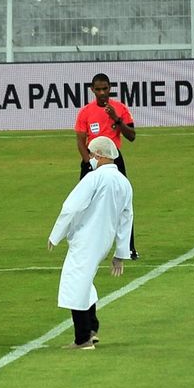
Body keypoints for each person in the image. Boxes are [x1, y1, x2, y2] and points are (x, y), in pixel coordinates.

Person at [48, 136, 133, 350]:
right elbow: (126, 218)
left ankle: (83, 338)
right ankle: (92, 328)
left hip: (86, 239)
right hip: (104, 240)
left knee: (75, 283)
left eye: (92, 154)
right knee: (85, 281)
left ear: (99, 155)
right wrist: (120, 252)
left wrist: (56, 234)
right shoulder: (124, 182)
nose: (90, 159)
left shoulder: (93, 178)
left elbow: (71, 207)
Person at [74, 72, 139, 260]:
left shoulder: (120, 109)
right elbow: (80, 140)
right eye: (98, 89)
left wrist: (117, 119)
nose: (102, 92)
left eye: (105, 89)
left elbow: (132, 136)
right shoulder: (85, 112)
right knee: (84, 204)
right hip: (91, 162)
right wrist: (89, 163)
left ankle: (128, 249)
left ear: (110, 88)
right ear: (92, 90)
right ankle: (83, 246)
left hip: (114, 161)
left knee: (123, 203)